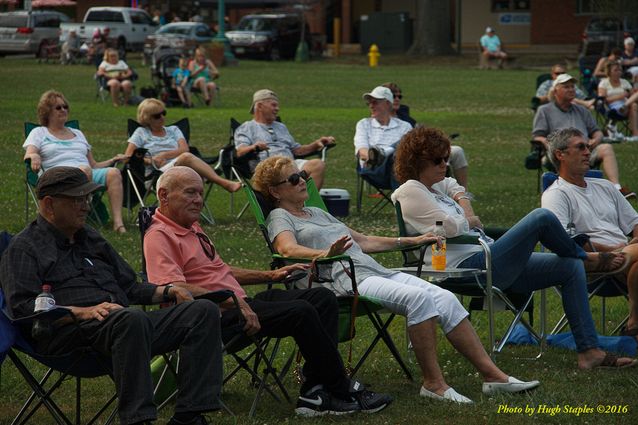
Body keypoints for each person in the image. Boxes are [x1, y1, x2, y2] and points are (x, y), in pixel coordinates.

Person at [253, 155, 542, 404]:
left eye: (302, 175)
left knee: (444, 297)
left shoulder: (316, 211)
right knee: (418, 299)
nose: (303, 180)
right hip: (341, 281)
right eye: (293, 179)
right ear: (275, 192)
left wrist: (412, 240)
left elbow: (364, 241)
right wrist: (325, 252)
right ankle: (434, 385)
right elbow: (286, 249)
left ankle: (493, 377)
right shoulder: (280, 217)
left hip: (370, 270)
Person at [144, 166, 392, 417]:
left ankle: (314, 391)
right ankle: (340, 387)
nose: (198, 200)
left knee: (321, 297)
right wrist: (236, 304)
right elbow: (174, 288)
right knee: (301, 311)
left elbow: (218, 269)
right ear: (164, 195)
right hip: (212, 318)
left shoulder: (191, 225)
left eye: (200, 193)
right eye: (190, 193)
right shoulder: (160, 236)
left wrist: (269, 276)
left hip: (239, 303)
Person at [390, 126, 637, 371]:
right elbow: (452, 228)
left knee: (571, 267)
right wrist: (470, 219)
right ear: (416, 161)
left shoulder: (437, 187)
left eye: (447, 158)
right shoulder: (410, 191)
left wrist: (463, 203)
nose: (445, 164)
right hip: (465, 267)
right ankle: (586, 257)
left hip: (487, 255)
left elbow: (456, 187)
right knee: (541, 217)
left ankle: (589, 352)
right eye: (437, 159)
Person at [0, 167, 223, 425]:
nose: (86, 205)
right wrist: (81, 311)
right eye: (77, 199)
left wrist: (168, 291)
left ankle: (189, 416)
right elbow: (23, 309)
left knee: (202, 311)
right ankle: (138, 420)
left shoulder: (91, 238)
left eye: (88, 198)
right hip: (68, 335)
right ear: (49, 204)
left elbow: (128, 287)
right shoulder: (24, 248)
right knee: (130, 319)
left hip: (123, 326)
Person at [542, 127, 638, 340]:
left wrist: (628, 248)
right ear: (561, 154)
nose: (588, 152)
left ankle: (634, 324)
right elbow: (567, 242)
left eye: (589, 147)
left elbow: (635, 224)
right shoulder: (556, 195)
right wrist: (617, 250)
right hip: (595, 264)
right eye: (581, 147)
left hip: (625, 259)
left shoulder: (605, 186)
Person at [23, 90, 127, 233]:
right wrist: (34, 156)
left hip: (86, 171)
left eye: (65, 106)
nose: (63, 110)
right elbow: (29, 153)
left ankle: (118, 223)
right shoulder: (39, 132)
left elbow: (94, 165)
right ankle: (84, 213)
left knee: (113, 173)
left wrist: (113, 159)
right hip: (57, 177)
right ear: (47, 111)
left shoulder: (77, 133)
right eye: (58, 107)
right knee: (83, 171)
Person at [532, 73, 634, 198]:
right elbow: (537, 136)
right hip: (560, 154)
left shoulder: (582, 110)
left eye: (572, 87)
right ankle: (571, 190)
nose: (571, 89)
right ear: (555, 90)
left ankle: (616, 189)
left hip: (586, 151)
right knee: (569, 151)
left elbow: (597, 131)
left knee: (606, 148)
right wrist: (548, 144)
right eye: (566, 87)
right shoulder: (544, 110)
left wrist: (596, 140)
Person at [124, 98, 241, 193]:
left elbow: (184, 149)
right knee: (186, 158)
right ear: (146, 118)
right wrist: (151, 161)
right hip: (157, 173)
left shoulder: (173, 130)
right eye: (157, 116)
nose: (162, 117)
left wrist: (164, 155)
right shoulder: (141, 133)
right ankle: (224, 183)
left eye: (163, 113)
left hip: (182, 166)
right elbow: (128, 157)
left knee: (186, 158)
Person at [234, 89, 335, 189]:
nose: (277, 109)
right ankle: (296, 201)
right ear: (260, 106)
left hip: (290, 164)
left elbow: (297, 150)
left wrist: (316, 144)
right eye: (273, 105)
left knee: (318, 165)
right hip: (268, 168)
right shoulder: (246, 128)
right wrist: (254, 147)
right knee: (286, 172)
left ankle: (307, 203)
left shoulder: (281, 127)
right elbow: (239, 152)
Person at [381, 82, 471, 191]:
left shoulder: (406, 119)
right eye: (393, 96)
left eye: (399, 96)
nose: (397, 99)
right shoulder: (376, 120)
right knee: (435, 158)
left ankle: (463, 192)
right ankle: (440, 191)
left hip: (423, 150)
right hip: (402, 158)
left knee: (457, 151)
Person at [598, 61, 638, 136]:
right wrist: (622, 95)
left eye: (620, 70)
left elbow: (633, 96)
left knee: (634, 104)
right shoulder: (604, 83)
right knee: (633, 106)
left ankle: (635, 134)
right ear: (609, 71)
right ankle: (635, 134)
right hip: (612, 108)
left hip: (626, 105)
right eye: (616, 70)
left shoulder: (625, 82)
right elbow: (603, 99)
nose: (619, 72)